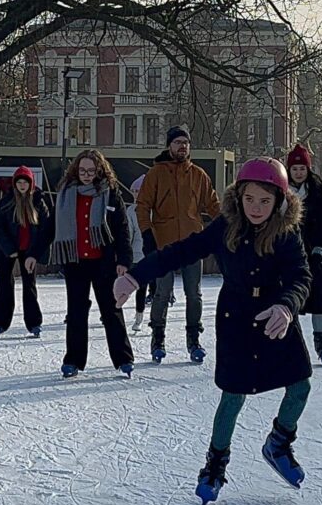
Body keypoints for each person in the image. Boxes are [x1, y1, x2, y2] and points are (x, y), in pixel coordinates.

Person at [112, 157, 314, 505]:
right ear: (238, 196)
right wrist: (135, 276)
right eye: (250, 199)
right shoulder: (225, 227)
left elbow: (300, 276)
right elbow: (182, 251)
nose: (256, 208)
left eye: (265, 201)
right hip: (236, 315)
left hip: (275, 315)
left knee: (300, 385)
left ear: (280, 201)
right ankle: (215, 465)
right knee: (233, 394)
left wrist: (287, 305)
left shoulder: (285, 232)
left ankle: (279, 443)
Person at [136, 127, 222, 364]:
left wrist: (228, 226)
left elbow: (213, 205)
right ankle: (158, 338)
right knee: (162, 293)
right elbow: (143, 205)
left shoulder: (198, 175)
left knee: (194, 294)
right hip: (164, 243)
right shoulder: (155, 174)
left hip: (193, 243)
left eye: (185, 143)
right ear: (169, 146)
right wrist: (147, 233)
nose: (182, 147)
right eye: (177, 143)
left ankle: (194, 339)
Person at [52, 150, 136, 378]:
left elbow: (121, 228)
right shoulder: (66, 194)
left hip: (103, 262)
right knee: (76, 313)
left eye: (91, 171)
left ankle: (123, 359)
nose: (86, 175)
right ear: (75, 171)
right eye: (82, 170)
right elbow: (52, 225)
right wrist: (33, 253)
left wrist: (124, 260)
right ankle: (73, 361)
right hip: (76, 261)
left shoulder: (109, 194)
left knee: (111, 310)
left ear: (99, 170)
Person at [286, 144, 322, 367]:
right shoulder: (282, 192)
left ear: (308, 169)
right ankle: (289, 343)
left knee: (318, 299)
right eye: (295, 168)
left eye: (302, 168)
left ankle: (321, 342)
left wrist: (320, 249)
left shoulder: (317, 191)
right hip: (289, 255)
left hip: (314, 254)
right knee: (288, 299)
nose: (298, 172)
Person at [0, 167, 50, 337]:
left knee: (29, 286)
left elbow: (45, 228)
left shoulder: (38, 201)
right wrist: (9, 249)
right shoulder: (7, 201)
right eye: (19, 182)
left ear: (31, 184)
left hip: (29, 251)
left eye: (25, 182)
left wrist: (36, 252)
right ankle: (0, 322)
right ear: (15, 184)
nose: (22, 185)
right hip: (8, 251)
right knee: (4, 285)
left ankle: (34, 323)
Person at [127, 172, 152, 329]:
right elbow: (129, 233)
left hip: (153, 255)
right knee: (139, 288)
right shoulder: (130, 211)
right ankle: (139, 315)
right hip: (137, 256)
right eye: (134, 191)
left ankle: (154, 319)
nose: (136, 194)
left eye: (139, 191)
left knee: (155, 289)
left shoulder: (153, 210)